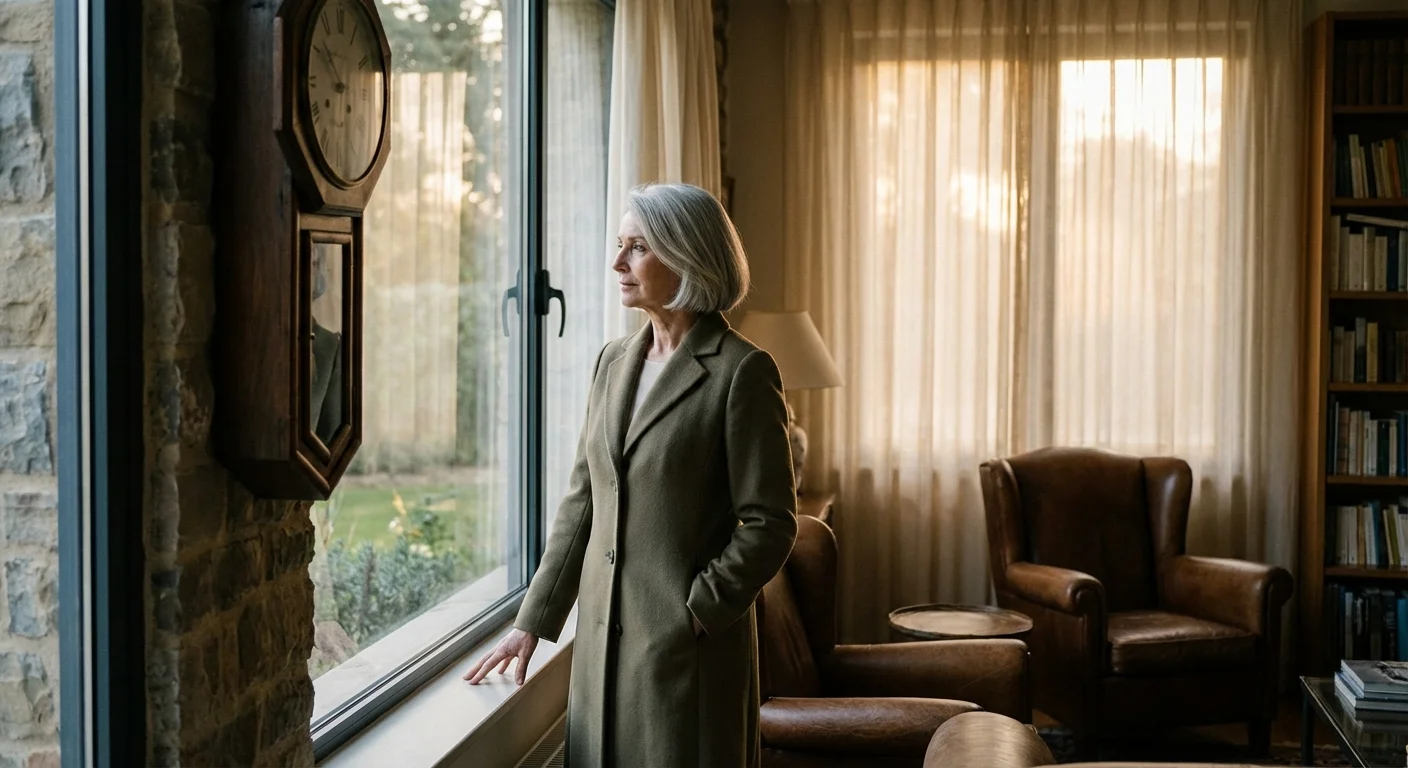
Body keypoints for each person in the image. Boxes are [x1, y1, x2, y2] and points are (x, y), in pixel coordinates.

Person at [464, 182, 798, 767]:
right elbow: (582, 502)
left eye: (637, 247)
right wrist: (533, 622)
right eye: (620, 245)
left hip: (686, 657)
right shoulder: (612, 361)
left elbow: (771, 524)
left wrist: (694, 612)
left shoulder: (742, 372)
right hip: (599, 652)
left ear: (687, 255)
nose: (617, 263)